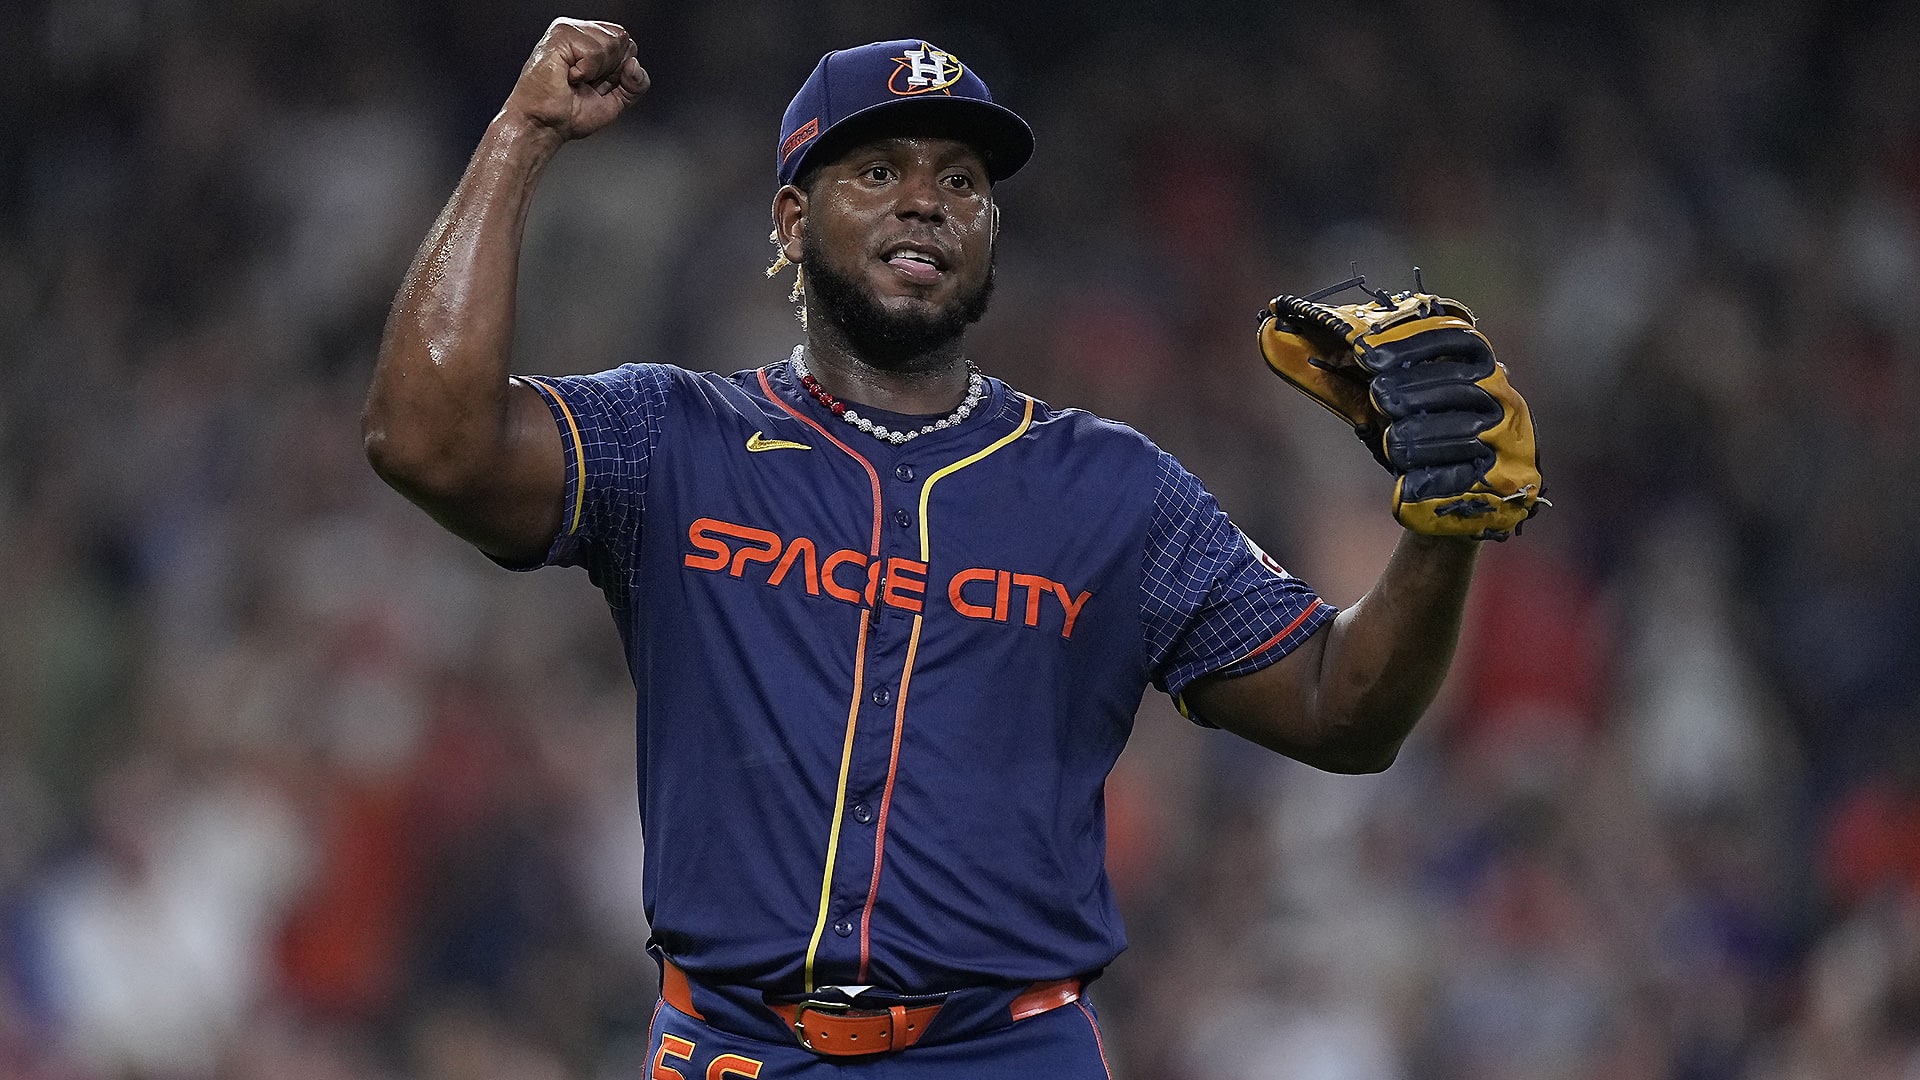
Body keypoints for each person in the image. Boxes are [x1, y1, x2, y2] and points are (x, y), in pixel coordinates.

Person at [363, 19, 1519, 1078]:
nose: (926, 201)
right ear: (791, 220)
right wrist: (521, 134)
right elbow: (428, 443)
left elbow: (1339, 707)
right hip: (734, 1045)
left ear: (991, 232)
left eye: (960, 181)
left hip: (1003, 1052)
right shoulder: (674, 437)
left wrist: (1440, 530)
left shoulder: (1108, 489)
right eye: (878, 171)